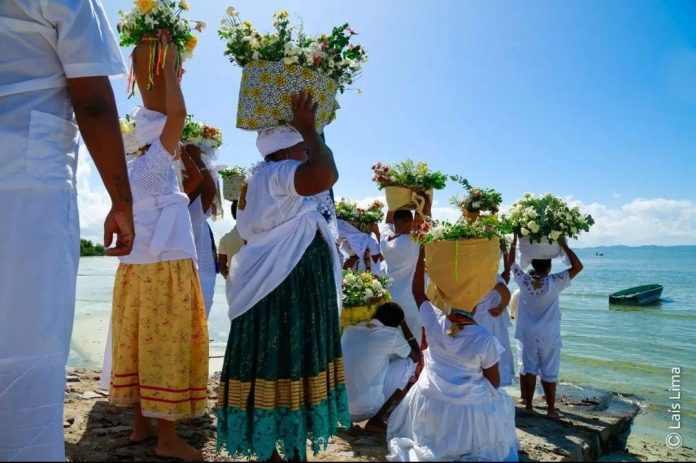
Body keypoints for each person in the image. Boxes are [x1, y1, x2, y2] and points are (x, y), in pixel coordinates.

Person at [0, 2, 134, 461]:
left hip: (27, 165)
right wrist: (122, 200)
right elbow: (92, 98)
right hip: (26, 174)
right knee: (29, 336)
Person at [216, 91, 349, 462]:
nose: (308, 153)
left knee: (275, 365)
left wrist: (311, 134)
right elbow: (326, 174)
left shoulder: (263, 177)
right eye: (303, 148)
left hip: (278, 287)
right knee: (286, 361)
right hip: (284, 291)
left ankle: (279, 451)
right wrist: (309, 129)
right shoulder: (276, 175)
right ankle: (281, 452)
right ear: (288, 150)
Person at [108, 35, 208, 461]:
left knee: (135, 342)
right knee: (164, 345)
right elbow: (179, 114)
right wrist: (168, 68)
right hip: (164, 269)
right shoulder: (152, 166)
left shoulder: (130, 169)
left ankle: (139, 426)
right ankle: (166, 438)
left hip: (136, 270)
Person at [386, 247, 519, 462]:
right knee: (499, 399)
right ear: (475, 306)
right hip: (468, 400)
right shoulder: (483, 337)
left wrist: (421, 255)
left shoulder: (435, 319)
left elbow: (418, 293)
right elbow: (493, 381)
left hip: (433, 390)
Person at [507, 234, 584, 418]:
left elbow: (510, 264)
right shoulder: (554, 282)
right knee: (549, 371)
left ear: (532, 264)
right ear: (549, 266)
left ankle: (529, 406)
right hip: (549, 335)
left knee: (530, 368)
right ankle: (550, 410)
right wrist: (563, 245)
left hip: (527, 334)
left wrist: (515, 240)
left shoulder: (524, 281)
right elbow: (578, 266)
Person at [341, 302, 420, 432]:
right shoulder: (391, 334)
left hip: (341, 410)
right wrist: (404, 326)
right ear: (397, 323)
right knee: (408, 363)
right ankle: (377, 419)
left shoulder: (350, 329)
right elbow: (416, 357)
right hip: (365, 409)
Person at [183, 143, 219, 318]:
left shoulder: (190, 212)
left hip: (197, 279)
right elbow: (209, 189)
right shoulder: (189, 213)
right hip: (195, 281)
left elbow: (206, 188)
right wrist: (196, 159)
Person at [473, 242, 514, 387]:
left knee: (481, 352)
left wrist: (500, 307)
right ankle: (493, 383)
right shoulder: (491, 276)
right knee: (494, 351)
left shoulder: (477, 275)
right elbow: (505, 290)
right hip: (490, 319)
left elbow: (505, 287)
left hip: (479, 318)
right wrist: (500, 307)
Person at [380, 209, 424, 343]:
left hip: (390, 297)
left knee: (392, 336)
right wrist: (420, 203)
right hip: (409, 299)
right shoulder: (413, 241)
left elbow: (387, 223)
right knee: (413, 337)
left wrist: (393, 204)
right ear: (407, 222)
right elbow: (423, 219)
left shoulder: (385, 241)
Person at [218, 200, 244, 280]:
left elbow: (221, 267)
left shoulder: (225, 239)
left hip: (233, 283)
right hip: (253, 281)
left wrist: (229, 277)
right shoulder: (255, 235)